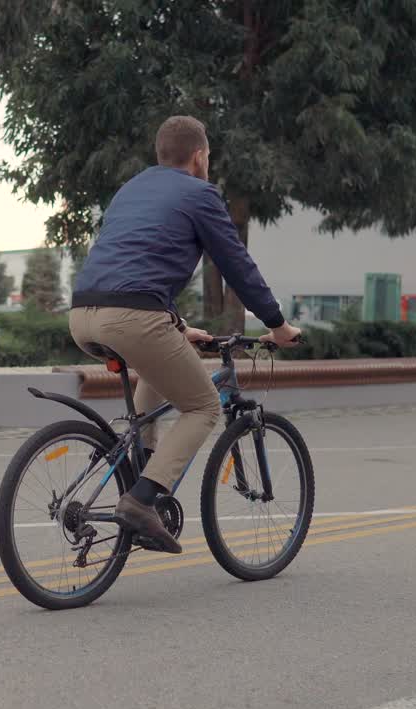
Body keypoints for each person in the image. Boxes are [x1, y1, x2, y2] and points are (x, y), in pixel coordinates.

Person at [69, 115, 301, 554]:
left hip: (82, 314)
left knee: (154, 372)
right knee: (204, 406)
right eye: (208, 157)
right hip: (133, 319)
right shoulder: (200, 194)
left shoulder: (130, 189)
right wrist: (278, 324)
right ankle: (141, 500)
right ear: (199, 157)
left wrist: (177, 327)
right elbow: (236, 265)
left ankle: (141, 468)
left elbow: (133, 265)